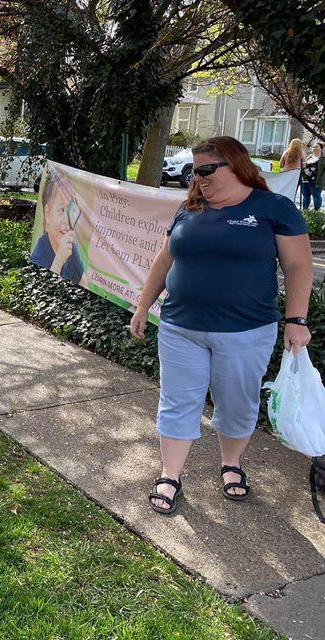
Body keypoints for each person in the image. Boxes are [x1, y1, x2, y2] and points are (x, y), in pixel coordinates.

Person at [130, 136, 312, 514]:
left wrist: (297, 320)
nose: (198, 177)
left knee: (235, 402)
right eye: (195, 171)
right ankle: (170, 474)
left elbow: (298, 266)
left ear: (236, 165)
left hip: (245, 331)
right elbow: (165, 262)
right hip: (181, 327)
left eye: (206, 169)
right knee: (177, 401)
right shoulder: (188, 209)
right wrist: (143, 304)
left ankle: (231, 465)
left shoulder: (273, 208)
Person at [30, 175, 85, 284]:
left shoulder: (72, 248)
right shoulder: (40, 250)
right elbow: (41, 284)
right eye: (61, 210)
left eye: (71, 211)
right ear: (48, 214)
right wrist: (59, 259)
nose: (67, 221)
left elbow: (84, 282)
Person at [301, 142, 324, 211]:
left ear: (321, 149)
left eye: (317, 147)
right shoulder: (309, 156)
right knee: (305, 196)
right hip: (305, 180)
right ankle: (305, 211)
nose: (315, 148)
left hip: (316, 181)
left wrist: (322, 179)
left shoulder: (323, 158)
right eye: (314, 147)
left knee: (316, 196)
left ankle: (316, 212)